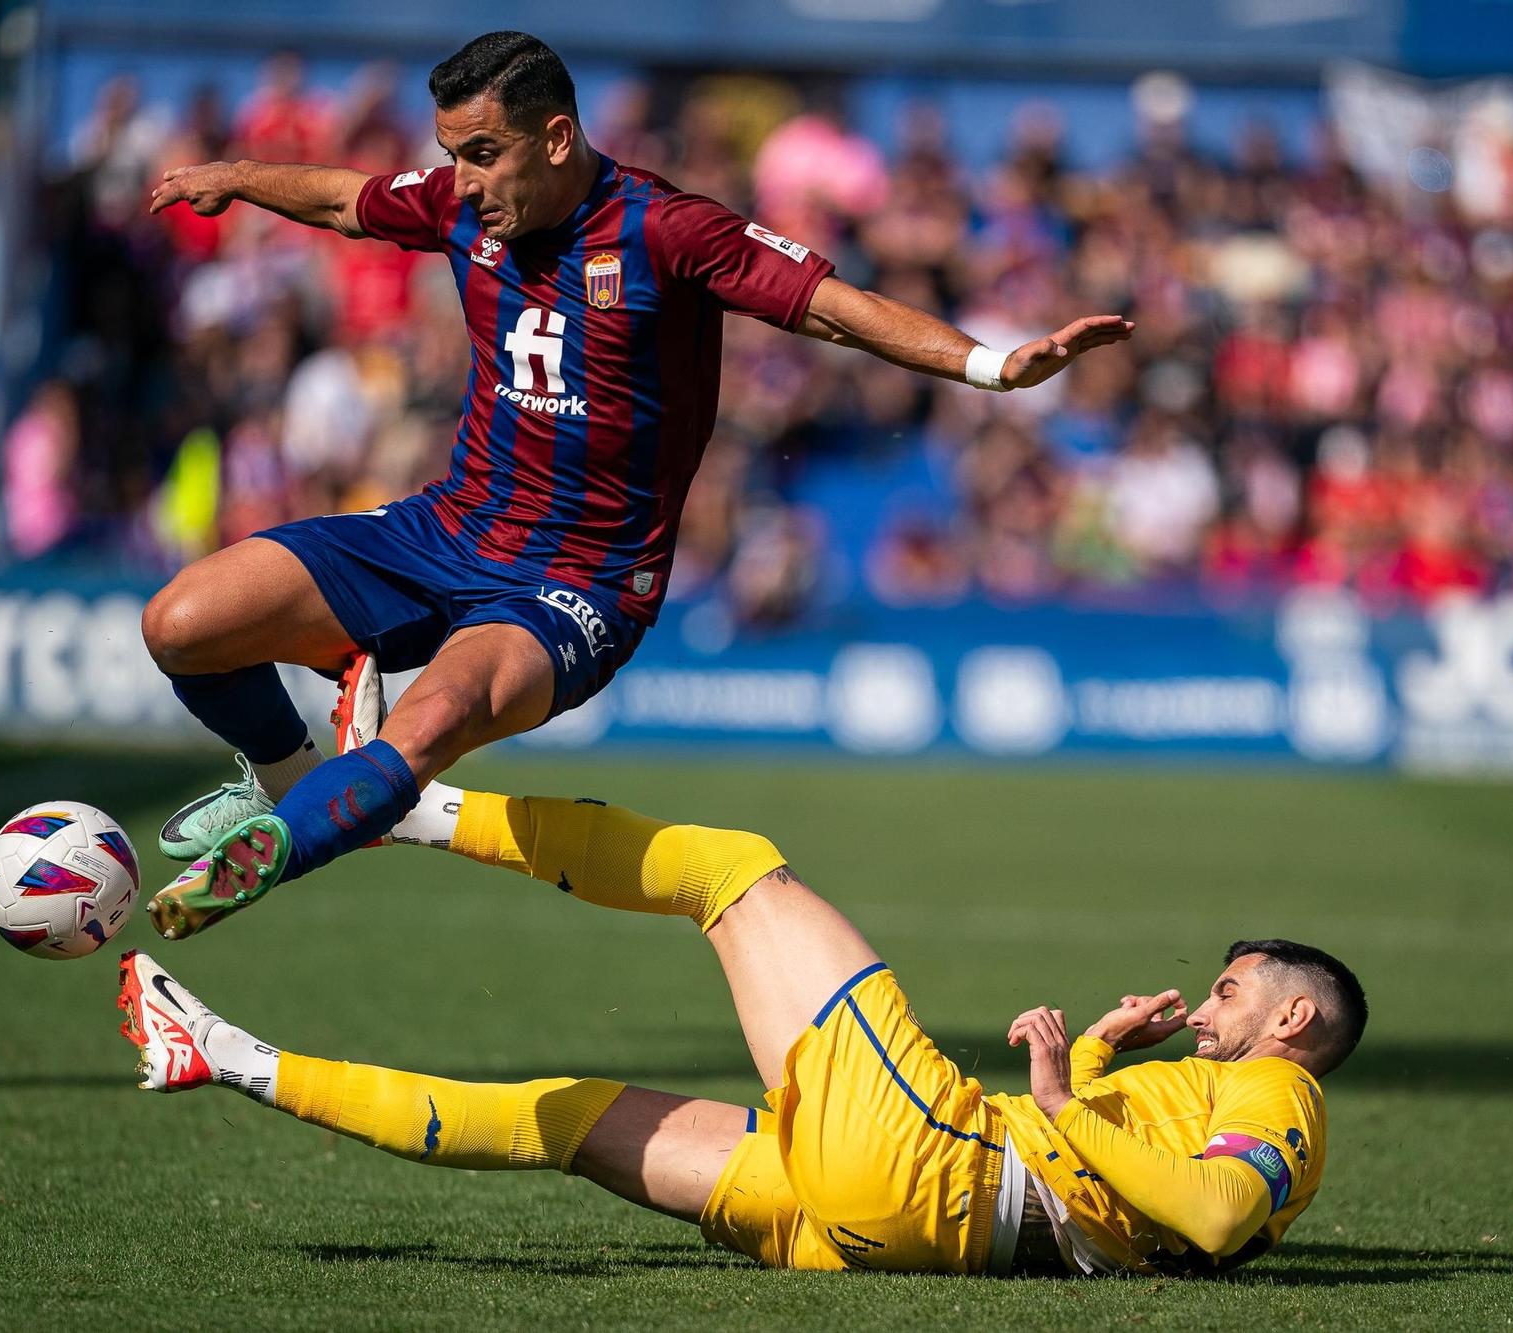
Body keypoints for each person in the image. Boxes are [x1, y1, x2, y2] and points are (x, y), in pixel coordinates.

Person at [137, 31, 1133, 940]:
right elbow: (341, 199)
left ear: (555, 137)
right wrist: (235, 175)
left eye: (482, 153)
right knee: (181, 623)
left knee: (429, 720)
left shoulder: (669, 231)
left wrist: (992, 366)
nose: (462, 179)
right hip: (444, 529)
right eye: (451, 155)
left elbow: (834, 311)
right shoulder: (457, 204)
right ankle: (289, 784)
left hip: (577, 585)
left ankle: (272, 855)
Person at [117, 781, 1365, 1276]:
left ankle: (396, 794)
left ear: (1292, 1017)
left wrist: (1048, 1100)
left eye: (1233, 990)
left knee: (735, 873)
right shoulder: (1228, 1099)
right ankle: (225, 1054)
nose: (1207, 1006)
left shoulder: (1281, 1098)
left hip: (933, 1160)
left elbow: (1207, 1214)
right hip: (886, 1230)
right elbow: (1149, 1215)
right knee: (558, 1120)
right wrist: (1093, 1062)